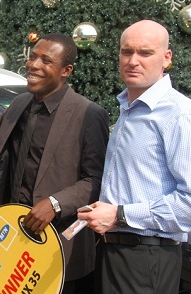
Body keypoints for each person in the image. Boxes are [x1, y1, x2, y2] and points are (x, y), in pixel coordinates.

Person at [0, 33, 109, 294]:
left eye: (46, 60)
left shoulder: (89, 113)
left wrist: (55, 204)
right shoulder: (22, 102)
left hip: (56, 243)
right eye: (33, 56)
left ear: (66, 70)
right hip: (12, 235)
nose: (34, 65)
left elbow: (95, 180)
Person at [78, 20, 191, 294]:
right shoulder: (129, 109)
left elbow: (188, 206)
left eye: (145, 53)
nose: (133, 61)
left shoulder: (178, 115)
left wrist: (118, 214)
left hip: (146, 258)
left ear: (166, 58)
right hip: (113, 252)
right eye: (126, 52)